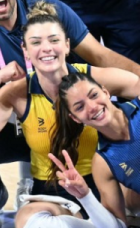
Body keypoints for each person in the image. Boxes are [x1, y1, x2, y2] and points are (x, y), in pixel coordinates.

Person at [0, 0, 140, 227]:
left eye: (53, 40)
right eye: (36, 43)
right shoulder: (15, 90)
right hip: (50, 186)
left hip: (100, 179)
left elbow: (117, 68)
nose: (46, 49)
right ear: (25, 50)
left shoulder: (89, 79)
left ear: (67, 44)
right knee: (29, 220)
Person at [47, 73, 140, 227]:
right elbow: (116, 226)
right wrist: (85, 196)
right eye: (80, 107)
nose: (92, 107)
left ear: (106, 92)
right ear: (76, 118)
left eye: (94, 95)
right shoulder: (102, 163)